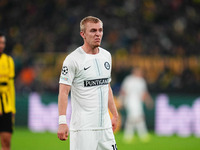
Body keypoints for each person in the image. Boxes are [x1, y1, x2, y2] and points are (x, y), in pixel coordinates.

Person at [57, 16, 118, 150]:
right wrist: (62, 122)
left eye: (100, 30)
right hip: (83, 129)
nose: (98, 34)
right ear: (82, 34)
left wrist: (114, 114)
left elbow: (106, 87)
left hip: (105, 127)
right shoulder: (72, 59)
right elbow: (63, 91)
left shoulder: (106, 56)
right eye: (93, 31)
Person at [120, 67, 153, 143]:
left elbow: (144, 93)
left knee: (137, 118)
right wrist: (122, 100)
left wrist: (148, 101)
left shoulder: (141, 81)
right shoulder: (128, 80)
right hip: (130, 101)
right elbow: (123, 91)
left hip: (138, 102)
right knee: (134, 118)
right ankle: (135, 135)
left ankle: (135, 135)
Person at [0, 33, 16, 150]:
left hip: (6, 105)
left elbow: (11, 86)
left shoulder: (9, 61)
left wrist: (12, 108)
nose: (1, 45)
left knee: (6, 140)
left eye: (3, 43)